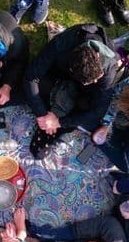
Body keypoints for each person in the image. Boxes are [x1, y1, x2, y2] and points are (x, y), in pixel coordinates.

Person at [23, 24, 119, 158]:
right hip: (60, 74)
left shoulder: (108, 71)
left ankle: (57, 122)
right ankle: (51, 119)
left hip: (84, 95)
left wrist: (59, 122)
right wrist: (41, 114)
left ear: (97, 55)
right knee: (33, 86)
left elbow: (98, 111)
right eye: (92, 80)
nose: (96, 81)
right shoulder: (61, 44)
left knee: (90, 117)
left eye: (96, 78)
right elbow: (30, 76)